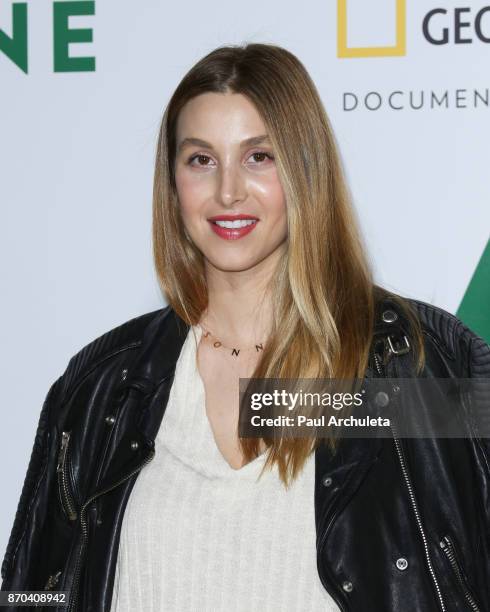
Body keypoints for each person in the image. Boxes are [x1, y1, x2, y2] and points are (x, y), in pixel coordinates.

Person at [1, 43, 489, 612]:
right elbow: (30, 594)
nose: (228, 191)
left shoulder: (417, 361)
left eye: (259, 157)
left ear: (306, 169)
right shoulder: (104, 385)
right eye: (201, 160)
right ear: (173, 183)